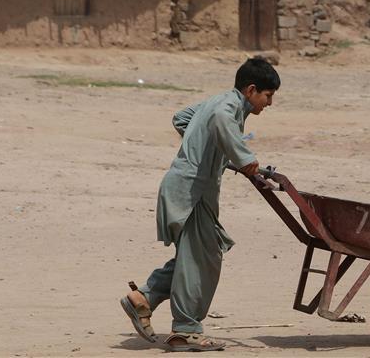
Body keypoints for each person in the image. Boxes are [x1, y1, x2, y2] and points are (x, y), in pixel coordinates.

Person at [120, 57, 280, 352]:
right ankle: (185, 330)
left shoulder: (219, 101)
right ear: (252, 89)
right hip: (190, 192)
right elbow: (219, 122)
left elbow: (181, 118)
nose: (269, 103)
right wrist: (244, 159)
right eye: (268, 96)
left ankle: (144, 298)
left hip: (192, 189)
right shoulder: (227, 107)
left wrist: (209, 150)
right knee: (200, 259)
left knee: (199, 255)